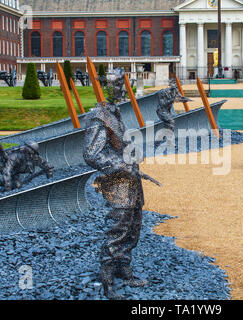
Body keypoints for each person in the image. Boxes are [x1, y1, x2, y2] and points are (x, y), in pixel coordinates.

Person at [83, 68, 160, 300]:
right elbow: (91, 154)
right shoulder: (98, 115)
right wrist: (122, 165)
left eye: (122, 85)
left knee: (133, 227)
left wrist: (133, 154)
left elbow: (119, 145)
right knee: (118, 230)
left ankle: (124, 269)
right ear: (106, 88)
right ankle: (107, 279)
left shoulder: (114, 112)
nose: (122, 89)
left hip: (132, 182)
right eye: (117, 85)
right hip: (118, 184)